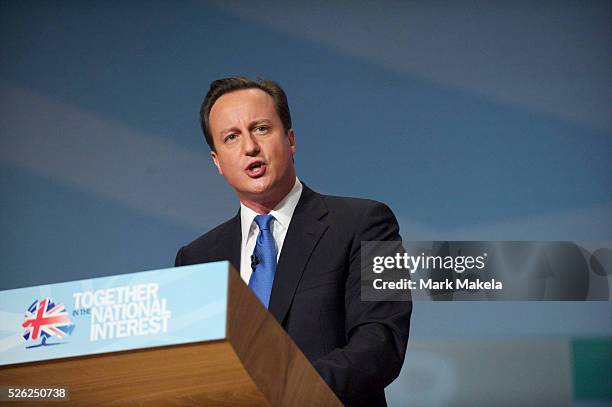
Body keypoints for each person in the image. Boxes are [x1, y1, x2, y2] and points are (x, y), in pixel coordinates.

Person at [175, 77, 412, 406]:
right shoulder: (196, 260)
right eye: (232, 137)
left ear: (290, 139)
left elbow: (382, 342)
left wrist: (287, 391)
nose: (249, 147)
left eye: (260, 128)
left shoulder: (368, 222)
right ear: (217, 162)